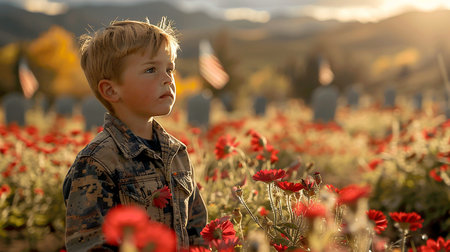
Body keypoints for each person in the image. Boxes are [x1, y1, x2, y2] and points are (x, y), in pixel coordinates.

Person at [63, 18, 208, 251]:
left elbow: (196, 228)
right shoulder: (97, 162)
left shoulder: (176, 152)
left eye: (169, 68)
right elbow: (90, 244)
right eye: (151, 69)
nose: (168, 78)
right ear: (111, 90)